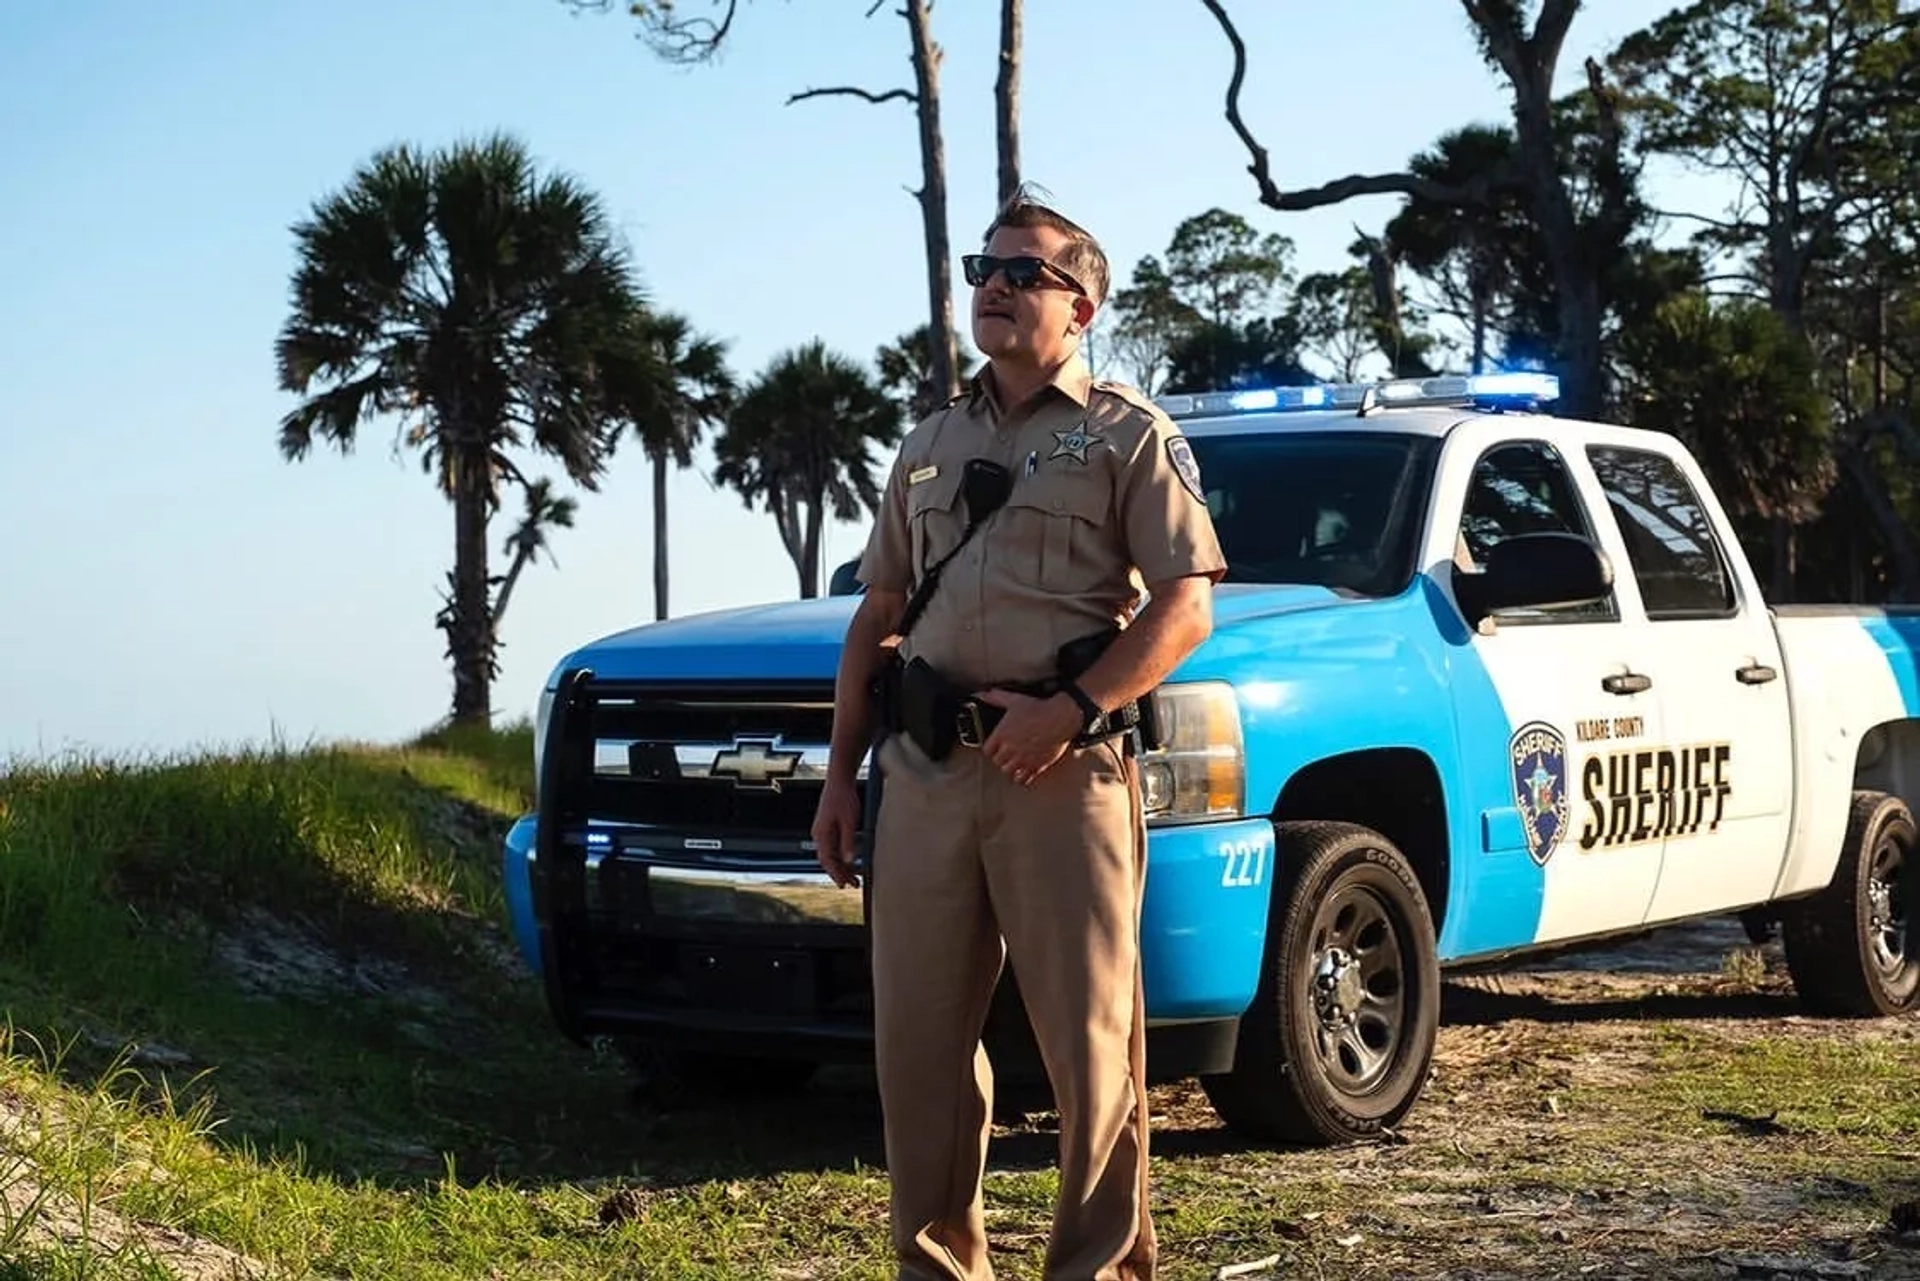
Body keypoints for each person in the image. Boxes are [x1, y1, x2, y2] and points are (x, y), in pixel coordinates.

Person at [809, 188, 1227, 1281]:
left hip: (1065, 776)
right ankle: (936, 1266)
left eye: (1025, 272)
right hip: (927, 775)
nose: (994, 286)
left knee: (1091, 1048)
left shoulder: (1128, 435)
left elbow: (1186, 606)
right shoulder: (931, 440)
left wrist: (1074, 709)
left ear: (1082, 307)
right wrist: (841, 777)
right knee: (919, 1051)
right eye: (984, 269)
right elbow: (878, 614)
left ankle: (1096, 1268)